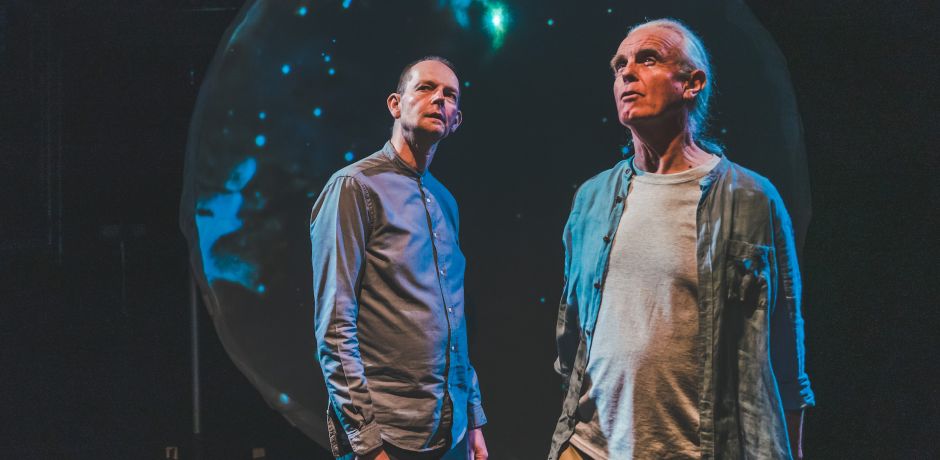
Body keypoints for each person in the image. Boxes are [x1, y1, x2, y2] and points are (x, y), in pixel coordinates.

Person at [548, 19, 815, 460]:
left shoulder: (751, 199)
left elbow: (786, 357)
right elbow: (572, 335)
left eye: (647, 59)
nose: (627, 73)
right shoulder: (592, 199)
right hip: (589, 448)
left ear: (692, 84)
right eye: (619, 66)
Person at [310, 57, 488, 460]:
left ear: (456, 120)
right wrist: (367, 442)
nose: (439, 99)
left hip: (451, 430)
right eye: (426, 88)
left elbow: (453, 320)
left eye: (450, 95)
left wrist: (473, 417)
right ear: (396, 104)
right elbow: (335, 326)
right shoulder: (354, 187)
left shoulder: (445, 201)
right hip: (387, 434)